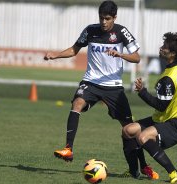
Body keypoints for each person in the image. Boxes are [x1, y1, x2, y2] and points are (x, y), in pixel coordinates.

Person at [44, 0, 158, 180]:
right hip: (91, 81)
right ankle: (68, 149)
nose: (103, 22)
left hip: (113, 87)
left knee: (130, 128)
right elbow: (75, 49)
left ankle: (142, 166)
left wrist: (120, 54)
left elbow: (136, 58)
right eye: (101, 18)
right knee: (77, 103)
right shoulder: (90, 30)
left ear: (114, 18)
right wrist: (55, 55)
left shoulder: (121, 32)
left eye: (107, 19)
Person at [123, 32, 177, 183]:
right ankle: (135, 171)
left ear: (173, 53)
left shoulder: (168, 79)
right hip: (164, 119)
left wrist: (142, 92)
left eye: (165, 47)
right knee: (128, 131)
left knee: (143, 137)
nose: (161, 48)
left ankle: (174, 174)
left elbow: (160, 106)